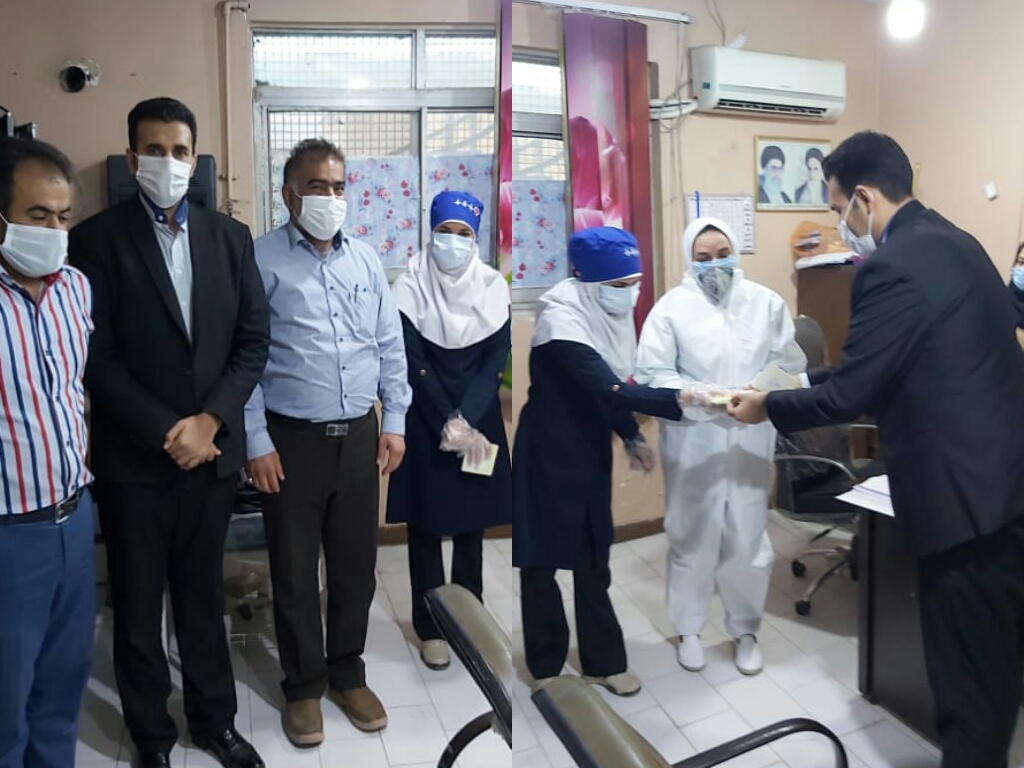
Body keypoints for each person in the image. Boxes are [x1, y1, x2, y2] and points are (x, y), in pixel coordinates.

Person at [727, 130, 1024, 768]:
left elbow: (850, 393)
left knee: (966, 688)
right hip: (1003, 486)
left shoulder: (889, 267)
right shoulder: (958, 242)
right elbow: (880, 367)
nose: (841, 225)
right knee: (995, 668)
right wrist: (794, 383)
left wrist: (766, 404)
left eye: (839, 209)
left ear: (863, 197)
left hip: (961, 507)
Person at [69, 97, 268, 768]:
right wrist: (167, 430)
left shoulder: (230, 238)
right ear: (132, 161)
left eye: (179, 151)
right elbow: (95, 356)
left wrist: (210, 421)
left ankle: (214, 722)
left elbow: (252, 342)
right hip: (134, 462)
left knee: (202, 596)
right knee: (136, 603)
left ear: (195, 158)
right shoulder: (95, 241)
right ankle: (151, 734)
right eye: (153, 151)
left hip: (210, 456)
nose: (168, 162)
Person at [244, 138, 411, 747]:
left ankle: (347, 672)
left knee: (355, 569)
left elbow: (389, 345)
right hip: (291, 442)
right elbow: (244, 358)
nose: (331, 197)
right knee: (293, 572)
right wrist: (255, 439)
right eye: (318, 186)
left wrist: (394, 420)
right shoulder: (258, 259)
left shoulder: (365, 260)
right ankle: (303, 686)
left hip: (359, 438)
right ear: (289, 195)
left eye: (339, 186)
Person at [513, 227, 683, 697]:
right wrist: (684, 399)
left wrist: (630, 435)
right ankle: (546, 664)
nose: (628, 294)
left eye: (634, 283)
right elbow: (606, 386)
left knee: (593, 555)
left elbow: (611, 391)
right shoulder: (560, 320)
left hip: (589, 450)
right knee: (541, 561)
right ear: (587, 281)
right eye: (618, 285)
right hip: (546, 453)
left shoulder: (609, 316)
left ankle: (603, 662)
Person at [633, 217, 806, 676]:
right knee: (692, 537)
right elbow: (652, 375)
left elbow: (789, 363)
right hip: (694, 439)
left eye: (723, 254)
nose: (716, 264)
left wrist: (758, 391)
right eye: (704, 257)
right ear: (689, 261)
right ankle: (689, 630)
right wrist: (694, 395)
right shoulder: (670, 310)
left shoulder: (765, 303)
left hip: (750, 436)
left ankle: (746, 631)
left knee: (748, 539)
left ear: (736, 254)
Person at [387, 190, 511, 671]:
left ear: (475, 240)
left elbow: (495, 361)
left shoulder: (493, 286)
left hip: (478, 421)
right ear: (431, 233)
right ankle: (431, 627)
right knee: (425, 524)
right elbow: (411, 360)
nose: (453, 242)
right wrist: (445, 418)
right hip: (424, 418)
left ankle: (468, 618)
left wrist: (466, 420)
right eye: (445, 232)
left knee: (470, 524)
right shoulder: (409, 285)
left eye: (463, 234)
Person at [0, 138, 94, 768]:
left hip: (74, 517)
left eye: (63, 217)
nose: (54, 231)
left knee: (61, 692)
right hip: (10, 536)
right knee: (6, 704)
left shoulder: (76, 290)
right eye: (37, 215)